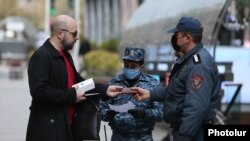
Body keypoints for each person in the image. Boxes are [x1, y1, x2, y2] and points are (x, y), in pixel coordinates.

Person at [108, 17, 221, 141]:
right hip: (186, 130)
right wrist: (149, 94)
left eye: (177, 35)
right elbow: (176, 90)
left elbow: (196, 107)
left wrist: (183, 137)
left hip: (194, 133)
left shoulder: (198, 65)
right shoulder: (188, 61)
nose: (174, 38)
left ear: (187, 38)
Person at [26, 14, 122, 141]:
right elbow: (39, 91)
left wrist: (104, 89)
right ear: (60, 34)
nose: (77, 38)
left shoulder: (65, 55)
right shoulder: (42, 56)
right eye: (74, 33)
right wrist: (72, 95)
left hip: (67, 127)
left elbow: (78, 82)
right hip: (48, 131)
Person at [99, 47, 163, 141]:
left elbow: (161, 114)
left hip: (143, 138)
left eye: (133, 66)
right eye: (126, 65)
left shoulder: (153, 84)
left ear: (141, 67)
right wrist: (109, 113)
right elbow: (101, 112)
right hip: (118, 137)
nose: (129, 69)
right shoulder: (114, 83)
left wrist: (144, 113)